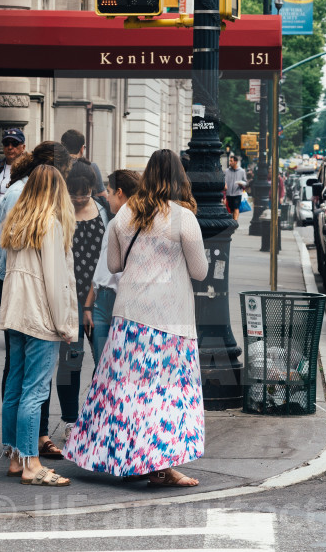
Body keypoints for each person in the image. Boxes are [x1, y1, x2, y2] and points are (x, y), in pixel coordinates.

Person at [63, 149, 208, 487]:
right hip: (170, 319)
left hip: (128, 317)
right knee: (165, 394)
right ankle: (161, 466)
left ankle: (119, 458)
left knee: (123, 392)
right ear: (179, 179)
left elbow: (114, 266)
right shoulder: (182, 217)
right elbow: (200, 271)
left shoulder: (124, 215)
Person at [0, 141, 73, 461]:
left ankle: (13, 455)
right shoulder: (50, 224)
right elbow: (55, 283)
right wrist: (65, 324)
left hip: (16, 307)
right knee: (35, 390)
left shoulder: (17, 220)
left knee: (15, 383)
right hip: (39, 313)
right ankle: (29, 460)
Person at [54, 161, 110, 434]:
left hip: (98, 299)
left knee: (104, 360)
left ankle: (98, 416)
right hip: (68, 298)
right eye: (73, 193)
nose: (78, 198)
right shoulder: (59, 213)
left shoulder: (103, 211)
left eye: (84, 192)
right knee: (70, 362)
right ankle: (70, 420)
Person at [85, 169, 140, 365]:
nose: (106, 197)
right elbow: (101, 267)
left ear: (119, 192)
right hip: (102, 301)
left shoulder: (137, 225)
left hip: (123, 301)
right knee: (101, 367)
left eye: (108, 191)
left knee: (117, 367)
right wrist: (88, 305)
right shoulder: (113, 223)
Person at [60, 129, 106, 204]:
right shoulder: (92, 167)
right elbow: (102, 196)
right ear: (82, 148)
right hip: (86, 211)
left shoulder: (54, 167)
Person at [224, 153, 248, 221]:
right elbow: (224, 181)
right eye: (230, 161)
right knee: (231, 209)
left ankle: (235, 221)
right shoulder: (226, 171)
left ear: (236, 162)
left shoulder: (242, 171)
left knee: (236, 208)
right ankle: (232, 220)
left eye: (231, 161)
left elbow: (245, 182)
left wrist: (242, 184)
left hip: (237, 193)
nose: (230, 162)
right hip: (229, 193)